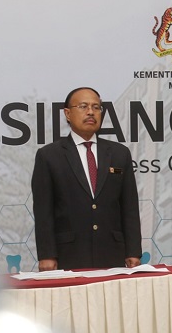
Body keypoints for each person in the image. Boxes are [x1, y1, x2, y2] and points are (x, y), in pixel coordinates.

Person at [31, 86, 142, 271]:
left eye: (96, 107)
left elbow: (130, 207)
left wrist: (133, 251)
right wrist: (47, 255)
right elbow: (44, 212)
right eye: (83, 106)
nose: (91, 112)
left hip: (112, 254)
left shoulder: (119, 153)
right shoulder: (49, 156)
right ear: (67, 113)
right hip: (68, 255)